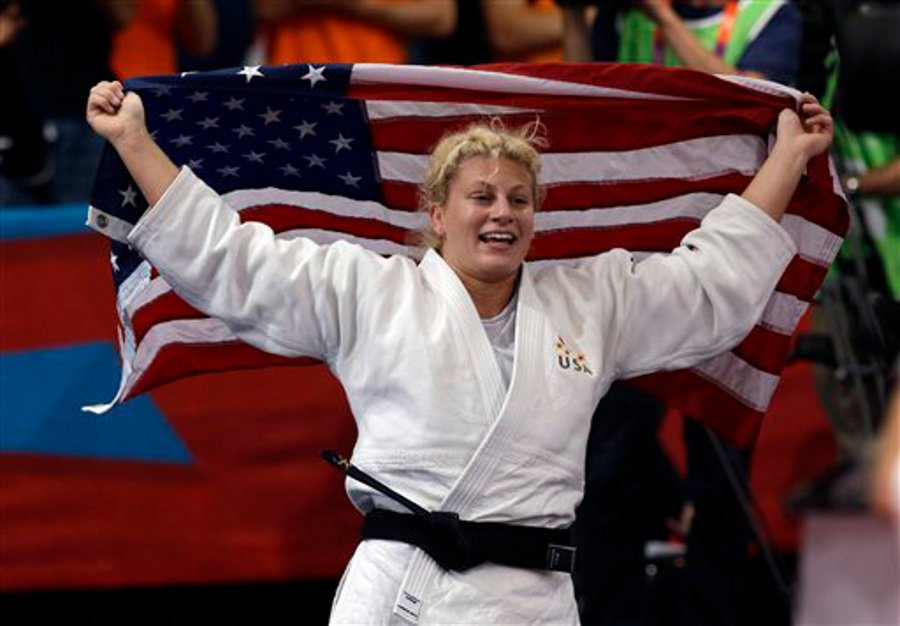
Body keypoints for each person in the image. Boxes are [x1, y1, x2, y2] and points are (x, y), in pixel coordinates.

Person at [86, 76, 831, 623]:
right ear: (437, 214)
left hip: (534, 601)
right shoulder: (368, 292)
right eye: (482, 196)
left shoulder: (592, 299)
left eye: (519, 198)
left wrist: (788, 158)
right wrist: (134, 142)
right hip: (404, 592)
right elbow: (235, 263)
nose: (502, 212)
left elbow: (709, 286)